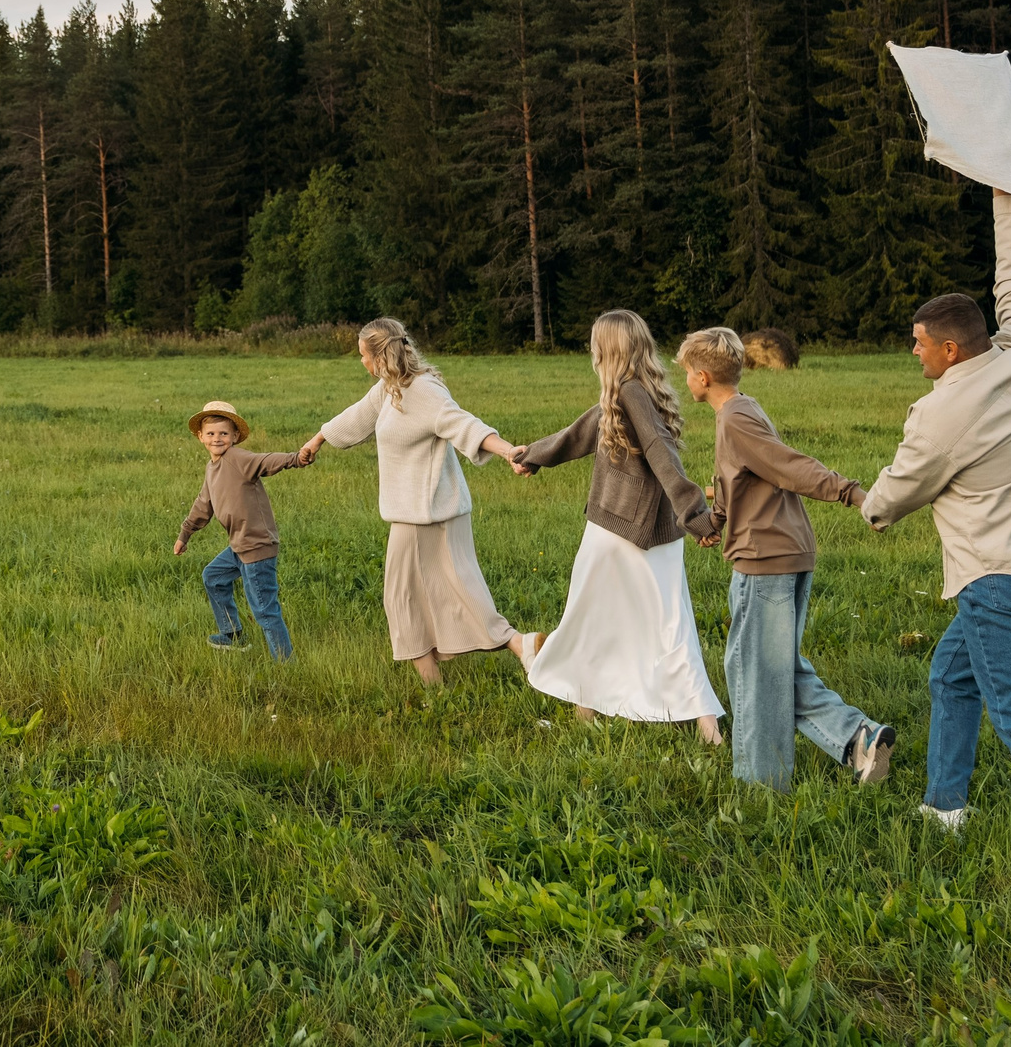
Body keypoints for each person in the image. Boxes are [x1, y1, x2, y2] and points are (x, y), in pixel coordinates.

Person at [862, 190, 1011, 840]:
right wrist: (1005, 193)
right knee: (950, 673)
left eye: (918, 344)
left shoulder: (941, 413)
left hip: (998, 583)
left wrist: (867, 506)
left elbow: (895, 494)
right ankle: (944, 807)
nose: (913, 352)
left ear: (949, 350)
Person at [677, 325, 892, 790]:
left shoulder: (735, 419)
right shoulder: (740, 410)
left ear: (702, 377)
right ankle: (859, 739)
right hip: (782, 548)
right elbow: (737, 479)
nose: (685, 379)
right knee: (770, 668)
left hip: (766, 556)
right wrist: (715, 521)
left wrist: (853, 494)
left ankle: (762, 784)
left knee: (756, 674)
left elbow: (788, 465)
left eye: (687, 372)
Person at [507, 310, 723, 743]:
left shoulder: (629, 393)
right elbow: (582, 432)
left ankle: (692, 721)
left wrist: (697, 517)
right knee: (669, 626)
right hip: (654, 533)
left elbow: (662, 455)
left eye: (595, 345)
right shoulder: (635, 392)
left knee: (593, 620)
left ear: (607, 351)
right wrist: (534, 455)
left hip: (619, 531)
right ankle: (698, 724)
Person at [296, 318, 541, 686]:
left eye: (363, 355)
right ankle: (464, 674)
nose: (361, 361)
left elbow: (463, 423)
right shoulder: (389, 389)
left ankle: (511, 649)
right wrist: (317, 440)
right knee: (451, 592)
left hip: (424, 516)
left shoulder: (423, 391)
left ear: (381, 356)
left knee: (405, 599)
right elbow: (357, 416)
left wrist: (508, 451)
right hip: (430, 512)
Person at [172, 400, 305, 660]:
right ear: (200, 436)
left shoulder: (238, 458)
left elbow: (264, 461)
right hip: (239, 546)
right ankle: (232, 635)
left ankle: (286, 663)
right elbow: (203, 504)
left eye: (224, 433)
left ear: (234, 436)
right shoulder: (212, 468)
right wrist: (184, 535)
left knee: (265, 610)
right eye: (211, 433)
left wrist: (296, 458)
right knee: (213, 577)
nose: (217, 438)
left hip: (256, 545)